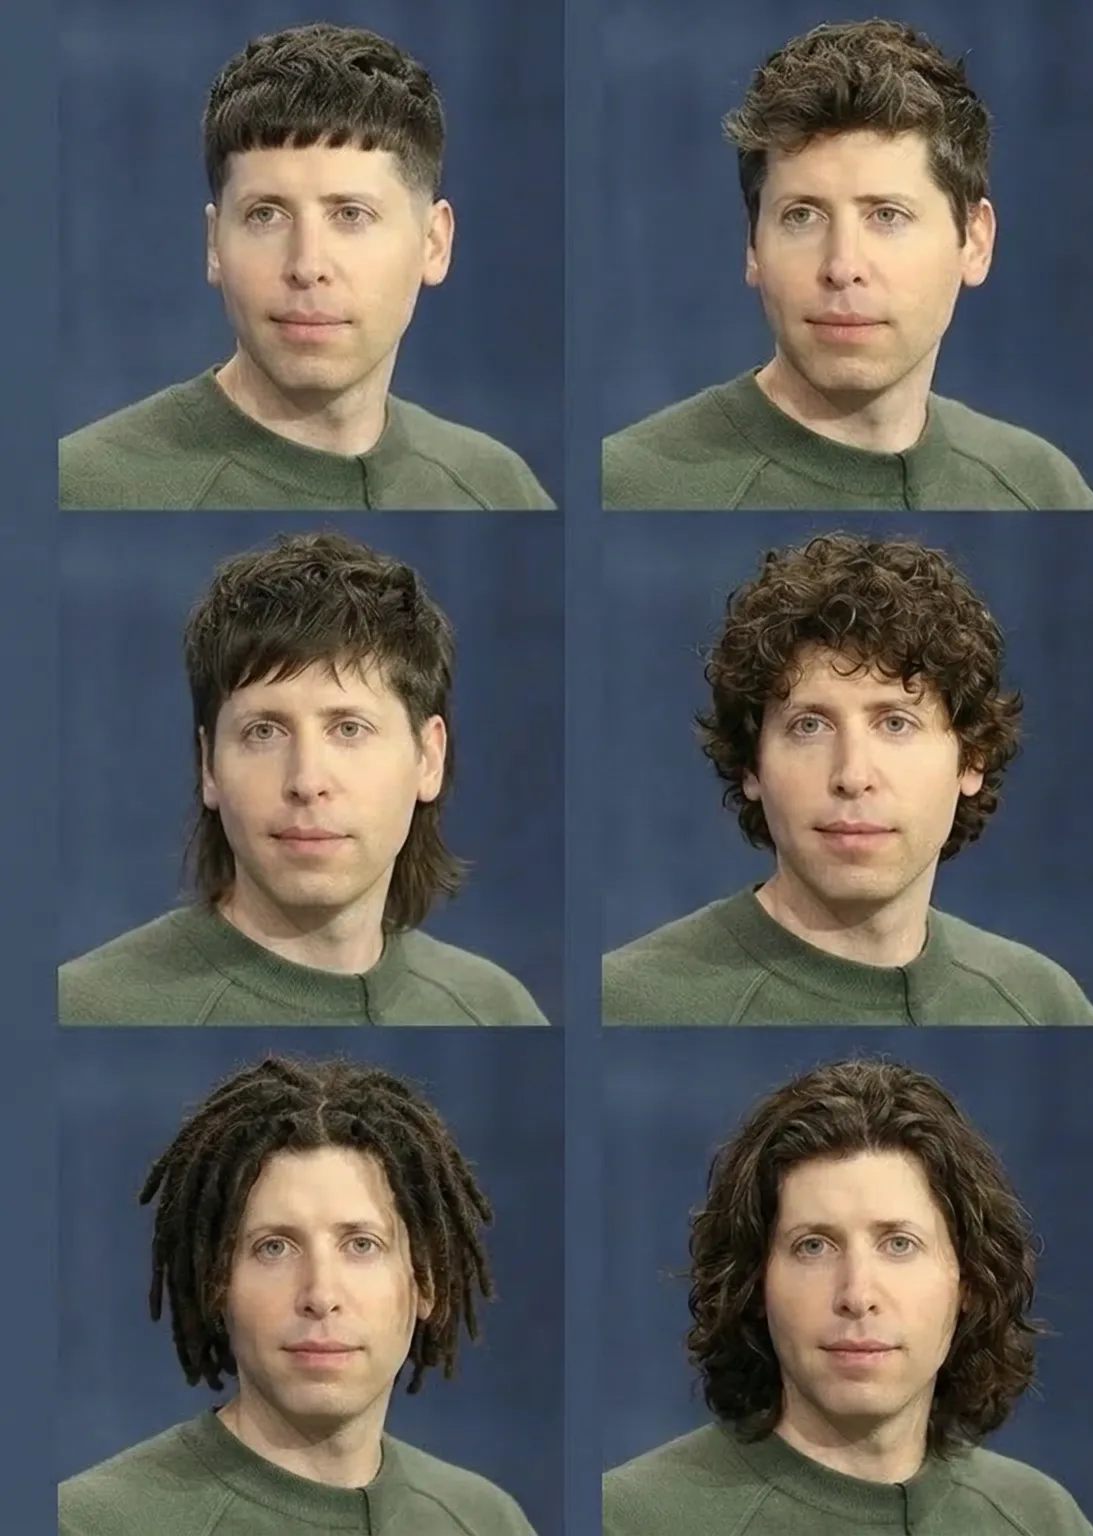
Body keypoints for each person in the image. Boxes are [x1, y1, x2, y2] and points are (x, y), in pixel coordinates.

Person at [604, 532, 1093, 1024]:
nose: (853, 775)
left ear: (971, 760)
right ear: (751, 766)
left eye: (896, 723)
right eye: (809, 726)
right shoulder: (628, 1004)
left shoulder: (1042, 1003)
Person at [602, 21, 1093, 510]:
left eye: (887, 215)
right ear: (753, 245)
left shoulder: (1042, 487)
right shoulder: (626, 487)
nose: (842, 265)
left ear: (976, 242)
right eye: (802, 215)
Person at [59, 532, 546, 1025]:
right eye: (264, 731)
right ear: (208, 764)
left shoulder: (495, 1008)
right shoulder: (83, 1009)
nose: (307, 780)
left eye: (349, 729)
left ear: (429, 757)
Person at [60, 24, 551, 510]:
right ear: (214, 244)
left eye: (351, 215)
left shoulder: (497, 485)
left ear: (434, 243)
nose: (307, 264)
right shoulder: (77, 489)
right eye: (266, 215)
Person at [605, 1059, 1093, 1534]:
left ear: (967, 1280)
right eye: (814, 1246)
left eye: (899, 1244)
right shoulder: (629, 1520)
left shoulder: (1040, 1518)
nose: (857, 1294)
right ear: (755, 1283)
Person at [57, 1056, 536, 1535]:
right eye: (274, 1248)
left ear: (427, 1278)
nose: (320, 1294)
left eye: (361, 1245)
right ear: (216, 1281)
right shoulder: (87, 1524)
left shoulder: (486, 1522)